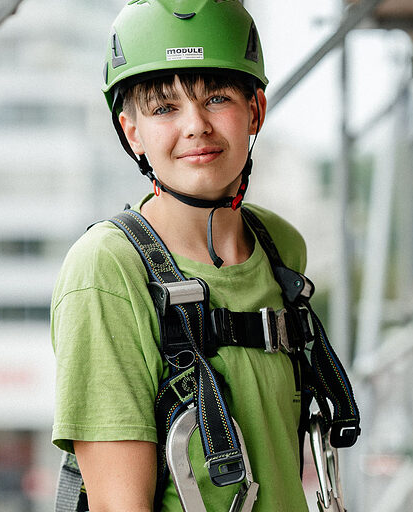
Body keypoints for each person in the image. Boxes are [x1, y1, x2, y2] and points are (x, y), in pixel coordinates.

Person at [51, 1, 359, 511]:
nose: (195, 126)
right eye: (164, 108)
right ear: (132, 131)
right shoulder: (107, 270)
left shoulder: (280, 247)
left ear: (255, 109)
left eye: (216, 98)